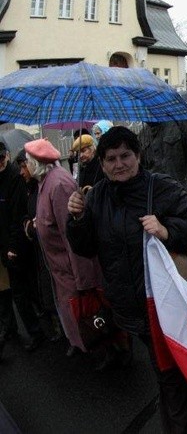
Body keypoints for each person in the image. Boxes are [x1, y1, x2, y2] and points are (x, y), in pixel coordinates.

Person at [66, 126, 187, 432]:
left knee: (167, 377)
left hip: (164, 306)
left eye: (125, 155)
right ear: (101, 164)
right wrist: (76, 220)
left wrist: (167, 230)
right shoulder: (98, 195)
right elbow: (86, 248)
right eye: (111, 158)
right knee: (168, 371)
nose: (119, 164)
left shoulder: (160, 187)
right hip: (128, 306)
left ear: (138, 156)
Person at [24, 139, 102, 356]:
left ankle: (97, 347)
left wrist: (82, 277)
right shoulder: (45, 182)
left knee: (86, 312)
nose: (26, 167)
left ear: (37, 163)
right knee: (72, 310)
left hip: (70, 268)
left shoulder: (58, 184)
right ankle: (82, 343)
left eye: (28, 162)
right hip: (60, 268)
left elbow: (71, 235)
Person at [0, 142, 46, 351]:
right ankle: (21, 328)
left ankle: (37, 333)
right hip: (6, 245)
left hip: (16, 246)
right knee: (19, 292)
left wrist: (13, 247)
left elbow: (18, 217)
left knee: (22, 292)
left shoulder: (14, 179)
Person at [14, 150, 62, 342]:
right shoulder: (32, 188)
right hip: (38, 250)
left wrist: (33, 227)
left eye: (24, 166)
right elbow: (27, 214)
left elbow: (51, 222)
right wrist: (28, 223)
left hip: (51, 251)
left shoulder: (50, 186)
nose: (22, 172)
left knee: (55, 290)